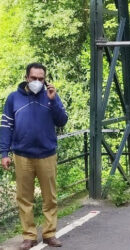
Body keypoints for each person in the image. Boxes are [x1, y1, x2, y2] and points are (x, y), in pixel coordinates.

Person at [0, 63, 68, 250]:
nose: (37, 81)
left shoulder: (51, 97)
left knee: (50, 197)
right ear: (26, 77)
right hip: (22, 155)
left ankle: (49, 234)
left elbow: (62, 120)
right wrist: (4, 153)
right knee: (24, 198)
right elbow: (6, 126)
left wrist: (53, 101)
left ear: (45, 79)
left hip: (47, 154)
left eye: (41, 78)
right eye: (34, 78)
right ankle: (29, 236)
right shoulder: (14, 98)